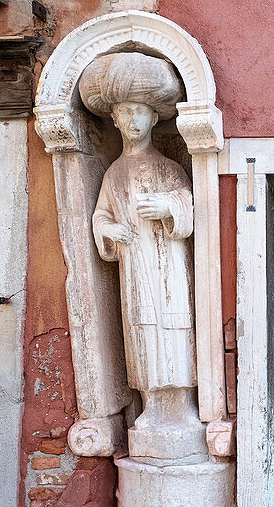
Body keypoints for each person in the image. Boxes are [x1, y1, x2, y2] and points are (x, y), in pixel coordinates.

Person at [79, 52, 203, 459]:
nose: (132, 121)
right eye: (125, 114)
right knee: (141, 331)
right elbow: (100, 216)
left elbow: (188, 201)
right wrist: (109, 229)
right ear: (114, 121)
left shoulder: (169, 168)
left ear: (153, 119)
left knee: (175, 327)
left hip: (169, 267)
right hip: (135, 267)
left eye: (140, 113)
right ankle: (151, 405)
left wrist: (170, 209)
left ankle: (182, 405)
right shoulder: (113, 173)